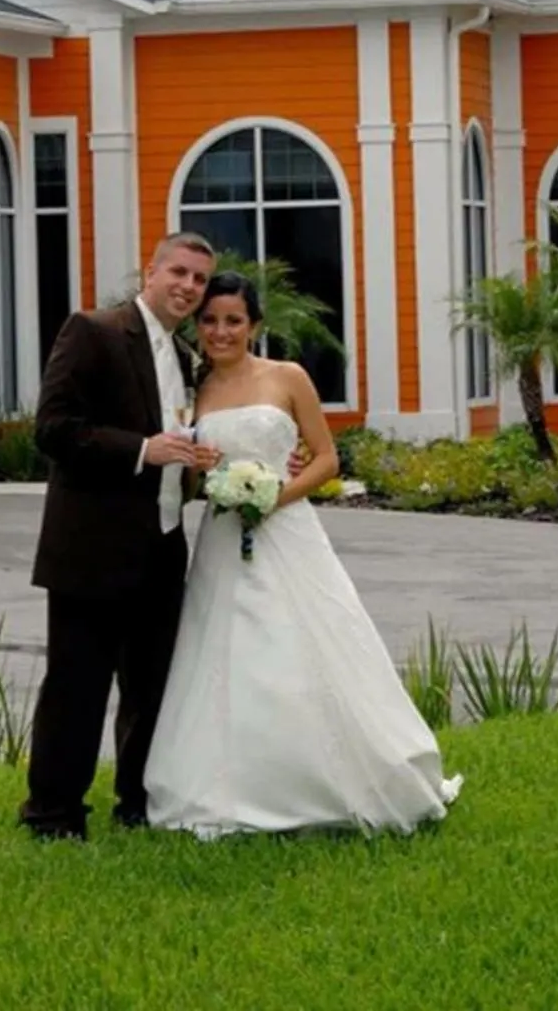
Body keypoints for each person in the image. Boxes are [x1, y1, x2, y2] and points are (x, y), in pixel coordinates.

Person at [143, 273, 463, 838]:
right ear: (199, 327)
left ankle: (333, 781)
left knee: (305, 646)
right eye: (210, 321)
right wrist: (201, 473)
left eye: (233, 321)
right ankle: (228, 789)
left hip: (285, 530)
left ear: (255, 326)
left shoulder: (287, 377)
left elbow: (325, 458)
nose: (221, 331)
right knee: (225, 658)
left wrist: (271, 497)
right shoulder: (195, 395)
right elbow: (192, 475)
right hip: (221, 540)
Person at [19, 231, 222, 840]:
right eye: (178, 273)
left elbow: (182, 444)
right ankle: (53, 815)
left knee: (151, 688)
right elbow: (53, 429)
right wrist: (141, 450)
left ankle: (137, 803)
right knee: (76, 688)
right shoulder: (94, 330)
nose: (188, 287)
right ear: (150, 273)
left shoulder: (185, 357)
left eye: (200, 280)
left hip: (162, 547)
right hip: (91, 549)